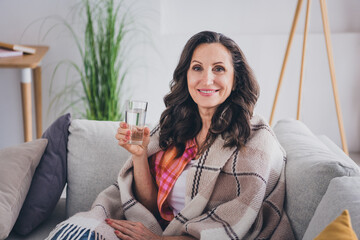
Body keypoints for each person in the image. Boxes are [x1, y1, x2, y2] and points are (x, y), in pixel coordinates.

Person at [47, 31, 294, 240]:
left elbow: (233, 227)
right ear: (186, 75)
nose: (207, 79)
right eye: (197, 68)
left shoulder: (254, 138)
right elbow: (153, 207)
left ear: (235, 78)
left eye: (219, 69)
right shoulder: (175, 128)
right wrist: (139, 155)